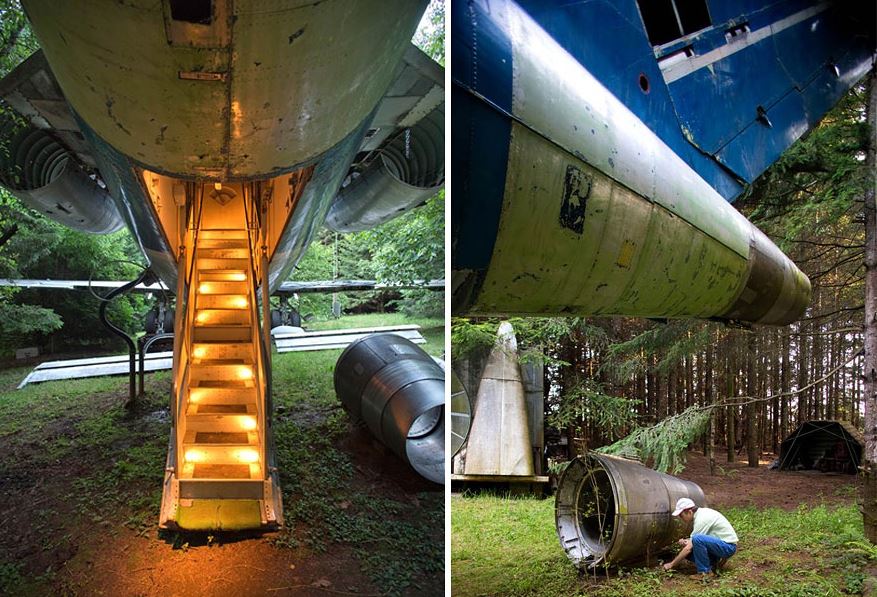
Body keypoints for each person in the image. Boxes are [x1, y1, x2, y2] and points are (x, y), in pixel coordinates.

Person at [662, 497, 738, 577]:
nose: (681, 518)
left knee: (696, 541)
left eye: (681, 515)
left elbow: (690, 546)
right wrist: (687, 541)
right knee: (691, 547)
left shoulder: (702, 519)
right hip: (723, 545)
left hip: (728, 547)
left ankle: (704, 573)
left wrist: (671, 564)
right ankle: (713, 563)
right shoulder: (701, 514)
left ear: (689, 512)